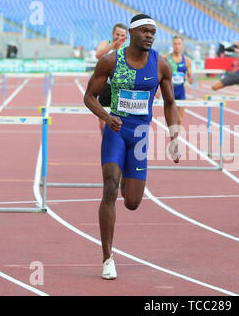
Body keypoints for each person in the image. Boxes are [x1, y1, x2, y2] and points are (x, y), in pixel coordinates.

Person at [84, 14, 181, 280]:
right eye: (145, 31)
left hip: (139, 136)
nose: (150, 35)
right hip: (115, 131)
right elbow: (89, 96)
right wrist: (106, 117)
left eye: (153, 32)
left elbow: (170, 103)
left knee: (133, 203)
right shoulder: (111, 61)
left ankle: (128, 175)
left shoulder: (161, 65)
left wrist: (174, 137)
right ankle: (107, 258)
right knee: (110, 186)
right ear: (132, 32)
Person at [94, 23, 128, 135]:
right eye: (117, 34)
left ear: (126, 36)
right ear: (113, 34)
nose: (119, 37)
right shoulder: (105, 43)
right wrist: (112, 45)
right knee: (103, 121)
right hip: (105, 87)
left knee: (120, 121)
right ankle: (105, 143)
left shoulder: (127, 50)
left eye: (122, 35)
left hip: (120, 89)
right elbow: (98, 55)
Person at [166, 36, 194, 126]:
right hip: (169, 91)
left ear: (182, 45)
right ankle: (172, 137)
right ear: (172, 44)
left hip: (181, 91)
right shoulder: (166, 58)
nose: (177, 46)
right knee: (170, 119)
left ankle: (176, 139)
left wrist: (191, 78)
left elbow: (191, 80)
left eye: (179, 44)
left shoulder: (187, 60)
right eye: (175, 44)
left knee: (179, 120)